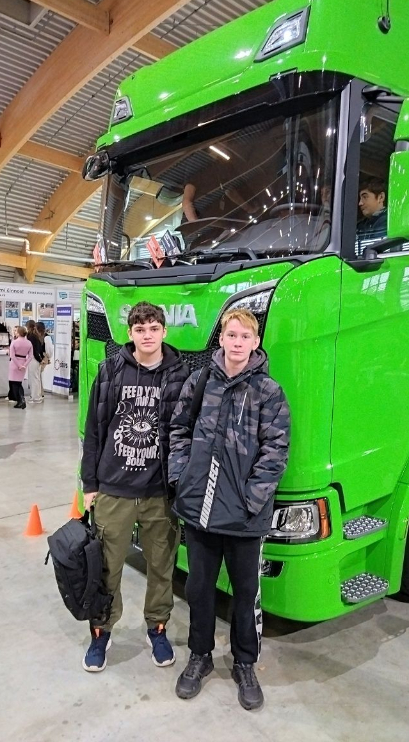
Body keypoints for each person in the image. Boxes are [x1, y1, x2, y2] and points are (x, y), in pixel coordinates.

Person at [169, 307, 290, 711]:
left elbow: (276, 451)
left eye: (244, 336)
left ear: (255, 342)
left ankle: (244, 663)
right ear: (220, 338)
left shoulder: (268, 391)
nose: (237, 342)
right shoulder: (200, 381)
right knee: (199, 589)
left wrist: (251, 500)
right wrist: (181, 478)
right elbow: (179, 429)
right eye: (231, 335)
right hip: (200, 509)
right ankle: (199, 656)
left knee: (245, 593)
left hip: (244, 517)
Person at [80, 301, 190, 673]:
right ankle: (101, 632)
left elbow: (188, 433)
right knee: (106, 568)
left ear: (164, 331)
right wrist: (90, 483)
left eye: (153, 328)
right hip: (115, 489)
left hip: (160, 493)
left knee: (161, 566)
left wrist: (182, 484)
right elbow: (94, 430)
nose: (147, 335)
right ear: (130, 334)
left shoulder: (180, 374)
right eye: (140, 329)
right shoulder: (110, 371)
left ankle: (157, 628)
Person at [356, 178, 387, 254]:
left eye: (365, 197)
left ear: (381, 197)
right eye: (360, 198)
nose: (360, 203)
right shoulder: (361, 225)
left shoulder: (388, 222)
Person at [8, 326, 32, 409]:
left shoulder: (14, 342)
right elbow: (30, 356)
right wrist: (24, 365)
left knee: (14, 383)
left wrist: (19, 365)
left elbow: (12, 355)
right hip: (23, 363)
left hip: (15, 364)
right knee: (19, 383)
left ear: (18, 333)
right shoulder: (29, 343)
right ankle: (21, 400)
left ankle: (21, 400)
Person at [25, 320, 43, 403]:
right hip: (36, 359)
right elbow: (39, 349)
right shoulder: (36, 336)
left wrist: (39, 359)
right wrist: (41, 359)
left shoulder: (31, 337)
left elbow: (34, 350)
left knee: (34, 379)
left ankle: (35, 397)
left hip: (33, 359)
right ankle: (37, 396)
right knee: (36, 378)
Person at [35, 322, 53, 398]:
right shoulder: (45, 337)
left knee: (38, 375)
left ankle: (39, 392)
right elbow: (49, 350)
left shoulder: (45, 337)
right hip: (42, 356)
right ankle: (39, 392)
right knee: (38, 375)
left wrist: (47, 357)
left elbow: (49, 350)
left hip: (42, 356)